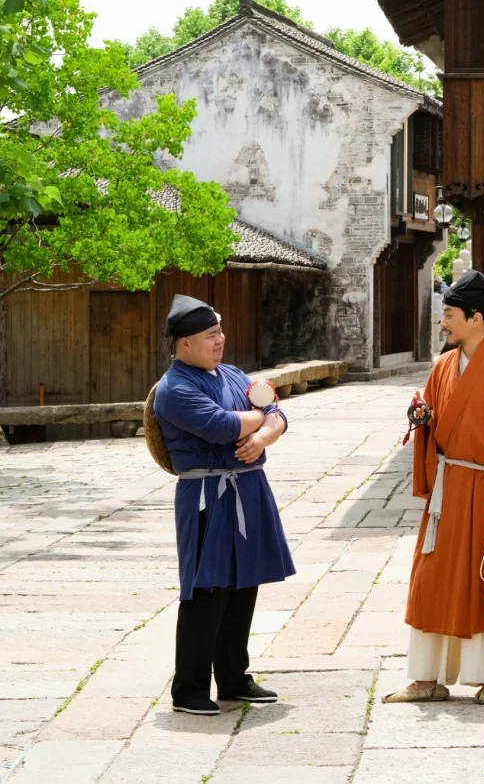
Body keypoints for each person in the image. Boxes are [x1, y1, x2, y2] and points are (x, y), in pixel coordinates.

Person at [384, 269, 484, 705]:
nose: (442, 324)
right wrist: (423, 421)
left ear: (476, 318)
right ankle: (427, 677)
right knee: (431, 579)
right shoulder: (443, 365)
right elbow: (431, 418)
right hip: (448, 491)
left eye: (448, 315)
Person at [153, 294, 295, 715]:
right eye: (210, 335)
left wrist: (264, 434)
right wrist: (260, 417)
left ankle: (233, 678)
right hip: (205, 497)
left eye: (220, 332)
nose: (220, 341)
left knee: (242, 585)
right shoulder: (174, 389)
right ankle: (190, 688)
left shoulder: (231, 374)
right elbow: (220, 426)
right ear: (184, 344)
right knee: (206, 588)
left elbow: (279, 412)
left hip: (248, 489)